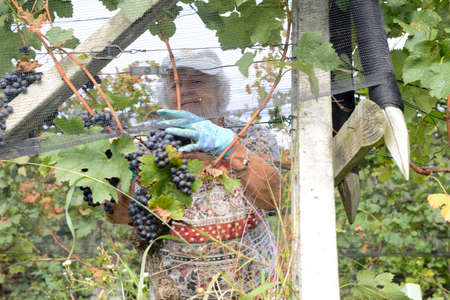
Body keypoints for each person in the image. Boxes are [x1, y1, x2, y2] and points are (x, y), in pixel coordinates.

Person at [111, 50, 282, 299]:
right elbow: (119, 216)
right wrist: (118, 177)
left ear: (219, 90)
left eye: (197, 81)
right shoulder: (149, 147)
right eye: (176, 84)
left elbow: (273, 201)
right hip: (175, 291)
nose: (185, 91)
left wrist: (231, 149)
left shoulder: (252, 136)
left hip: (252, 286)